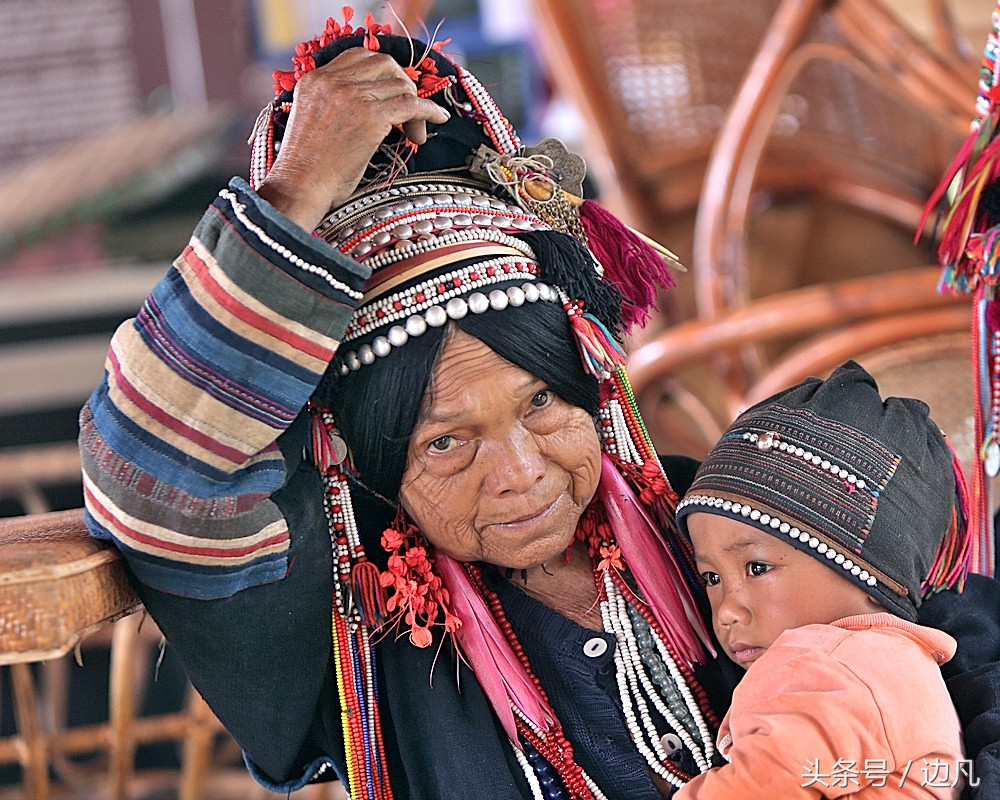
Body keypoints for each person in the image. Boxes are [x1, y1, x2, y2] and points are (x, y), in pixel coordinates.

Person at [77, 10, 1000, 800]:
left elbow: (964, 650)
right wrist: (293, 195)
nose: (520, 473)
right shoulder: (333, 631)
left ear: (592, 379)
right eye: (447, 445)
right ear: (366, 459)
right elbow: (150, 473)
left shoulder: (723, 530)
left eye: (543, 407)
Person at [673, 361, 967, 798]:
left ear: (865, 570)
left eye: (757, 568)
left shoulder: (818, 671)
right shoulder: (901, 665)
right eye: (711, 577)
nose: (729, 610)